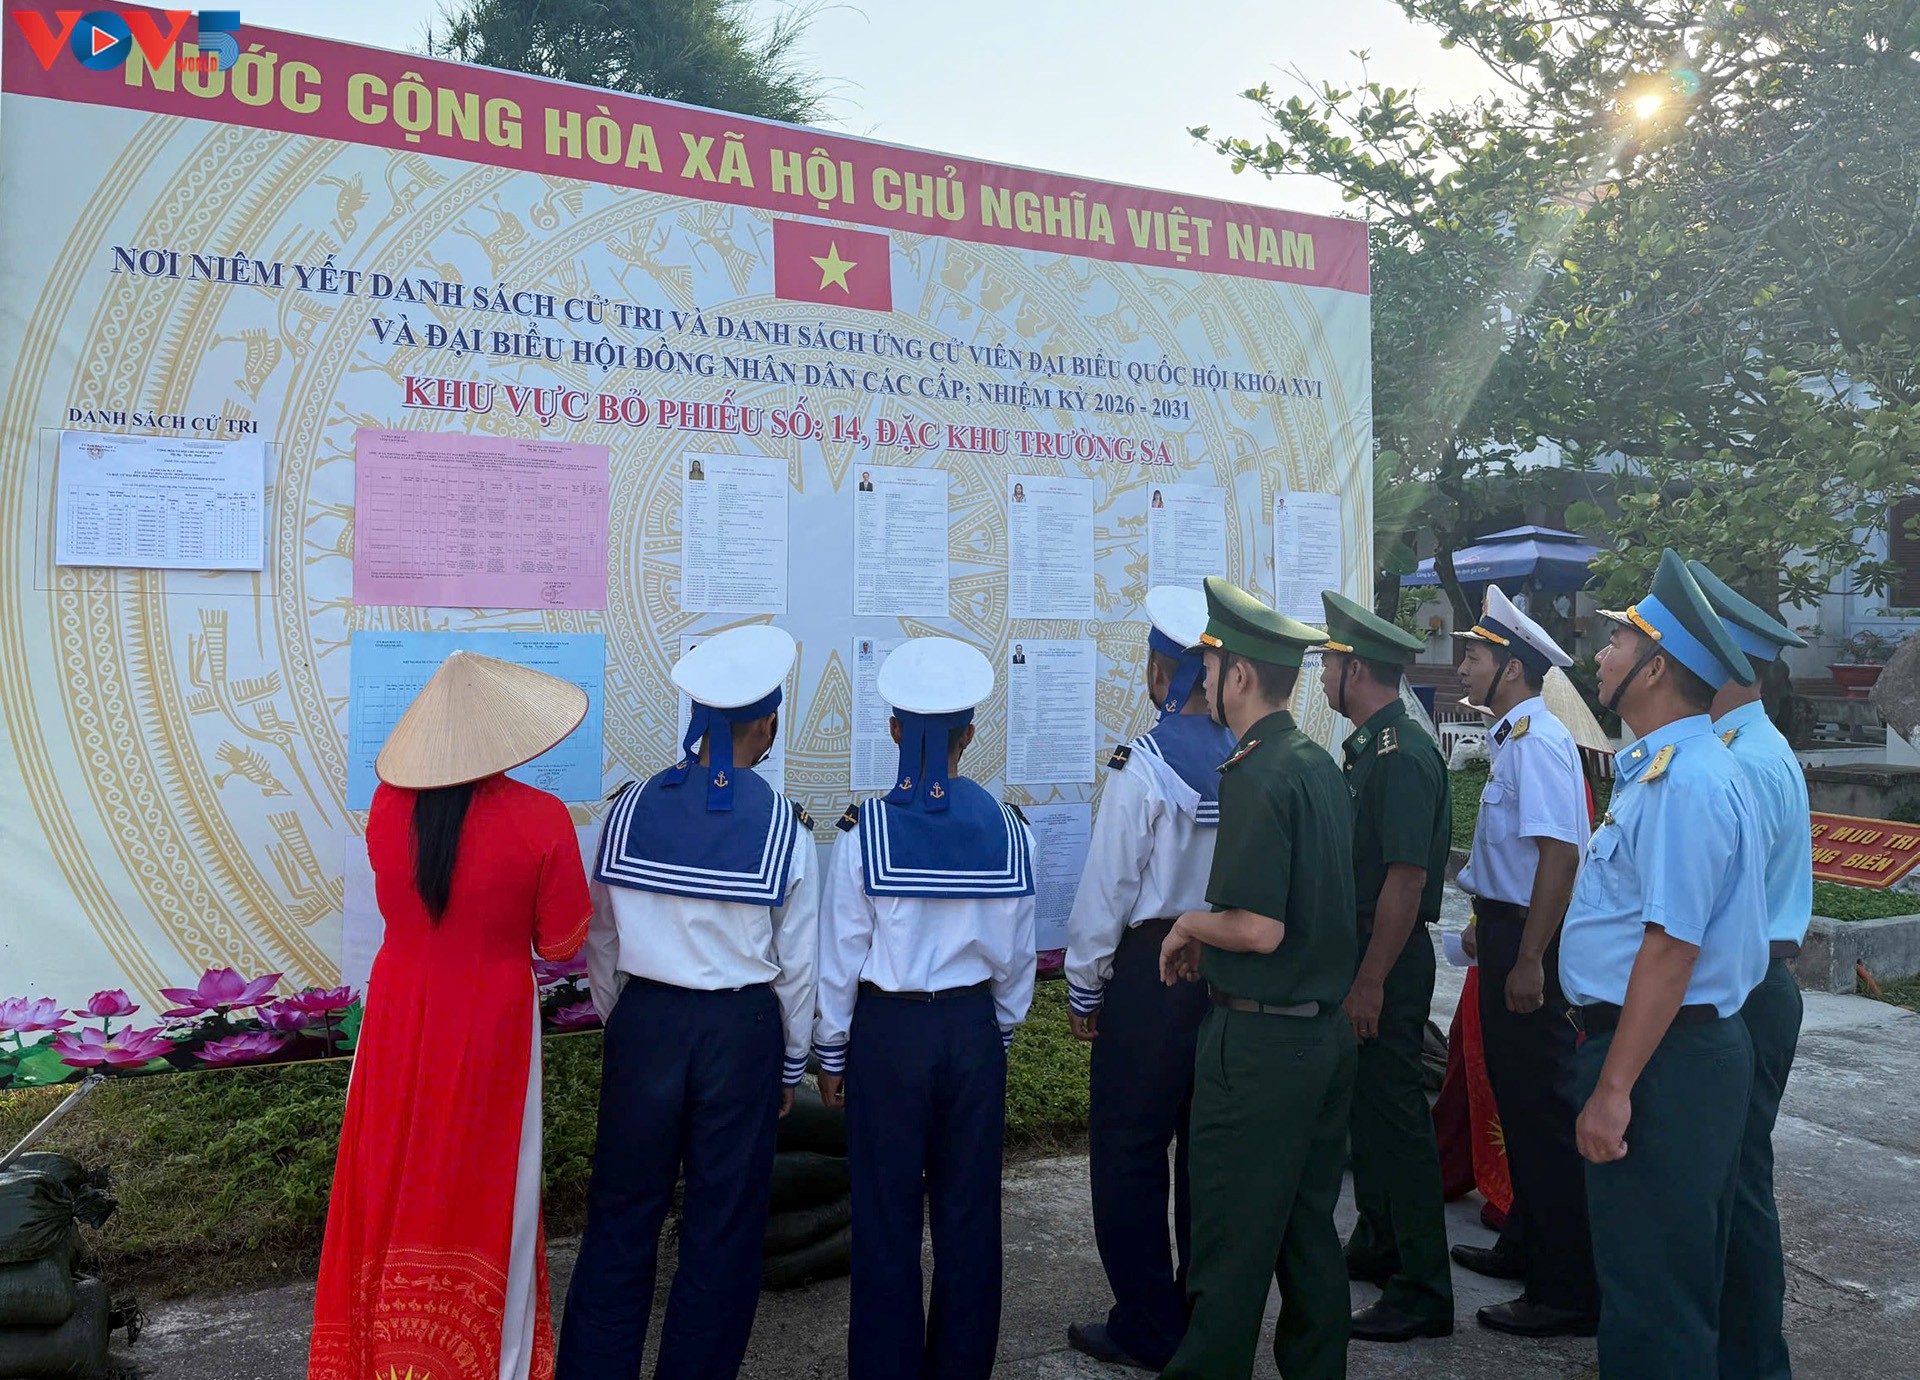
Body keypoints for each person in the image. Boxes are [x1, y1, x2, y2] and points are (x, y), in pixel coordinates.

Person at [309, 651, 592, 1380]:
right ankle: (485, 1358)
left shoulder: (387, 808)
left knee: (386, 1172)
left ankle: (377, 1349)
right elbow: (561, 943)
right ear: (503, 735)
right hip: (493, 1021)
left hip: (398, 1009)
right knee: (488, 1179)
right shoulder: (542, 819)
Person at [558, 626, 819, 1380]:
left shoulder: (628, 808)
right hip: (738, 1030)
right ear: (766, 724)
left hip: (646, 1021)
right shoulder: (785, 826)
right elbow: (797, 966)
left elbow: (601, 936)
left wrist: (629, 1020)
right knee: (722, 1226)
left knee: (621, 1214)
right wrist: (790, 1062)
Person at [1561, 549, 1768, 1379]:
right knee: (1659, 1282)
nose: (1600, 654)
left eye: (1617, 641)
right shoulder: (1664, 768)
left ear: (1653, 668)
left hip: (1660, 1060)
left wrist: (1614, 1090)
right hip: (1662, 1051)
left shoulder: (1686, 781)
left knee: (1654, 1302)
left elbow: (1672, 947)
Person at [813, 637, 1038, 1380]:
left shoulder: (865, 833)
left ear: (894, 731)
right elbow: (1017, 958)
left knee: (886, 1218)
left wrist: (832, 1050)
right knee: (969, 1217)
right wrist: (997, 1035)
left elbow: (842, 955)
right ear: (969, 736)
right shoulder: (1009, 829)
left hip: (890, 1033)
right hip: (972, 1031)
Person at [1155, 577, 1356, 1380]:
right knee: (1308, 1236)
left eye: (1210, 665)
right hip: (1322, 1037)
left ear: (1238, 674)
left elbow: (1258, 929)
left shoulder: (1254, 772)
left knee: (1229, 1244)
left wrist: (1188, 925)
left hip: (1261, 1047)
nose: (1204, 679)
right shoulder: (1315, 764)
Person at [1062, 586, 1237, 1370]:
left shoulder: (1145, 765)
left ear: (1164, 673)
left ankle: (1145, 1322)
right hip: (1226, 965)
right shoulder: (1246, 757)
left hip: (1151, 971)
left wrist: (1084, 984)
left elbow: (1108, 890)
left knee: (1129, 1151)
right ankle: (1200, 1315)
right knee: (1205, 1155)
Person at [1452, 585, 1599, 1336]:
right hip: (1509, 929)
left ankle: (1566, 1291)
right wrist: (1489, 921)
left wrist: (1531, 957)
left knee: (1541, 1115)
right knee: (1517, 1100)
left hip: (1531, 941)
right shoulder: (1519, 736)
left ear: (1511, 667)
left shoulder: (1536, 741)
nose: (1463, 668)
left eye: (1474, 657)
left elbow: (1559, 857)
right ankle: (1524, 1244)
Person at [1314, 590, 1455, 1343]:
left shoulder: (1401, 755)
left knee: (1397, 1121)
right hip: (1369, 950)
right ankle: (1379, 1241)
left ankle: (1424, 1289)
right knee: (1368, 1112)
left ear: (1357, 671)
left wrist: (1370, 980)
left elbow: (1404, 879)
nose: (1321, 678)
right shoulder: (1372, 746)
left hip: (1387, 958)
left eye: (1328, 666)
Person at [1689, 559, 1813, 1380]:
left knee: (1738, 1187)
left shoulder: (1749, 761)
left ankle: (1754, 1362)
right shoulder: (1736, 748)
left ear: (1726, 665)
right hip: (1744, 982)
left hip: (1750, 988)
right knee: (1724, 1182)